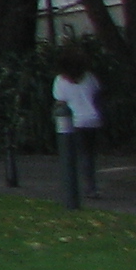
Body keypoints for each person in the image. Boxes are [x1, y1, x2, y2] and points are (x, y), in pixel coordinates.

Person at [51, 43, 103, 201]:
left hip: (74, 122)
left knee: (73, 155)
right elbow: (96, 94)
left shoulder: (60, 81)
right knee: (88, 155)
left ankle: (77, 187)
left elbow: (60, 103)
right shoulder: (89, 77)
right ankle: (91, 186)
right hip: (93, 120)